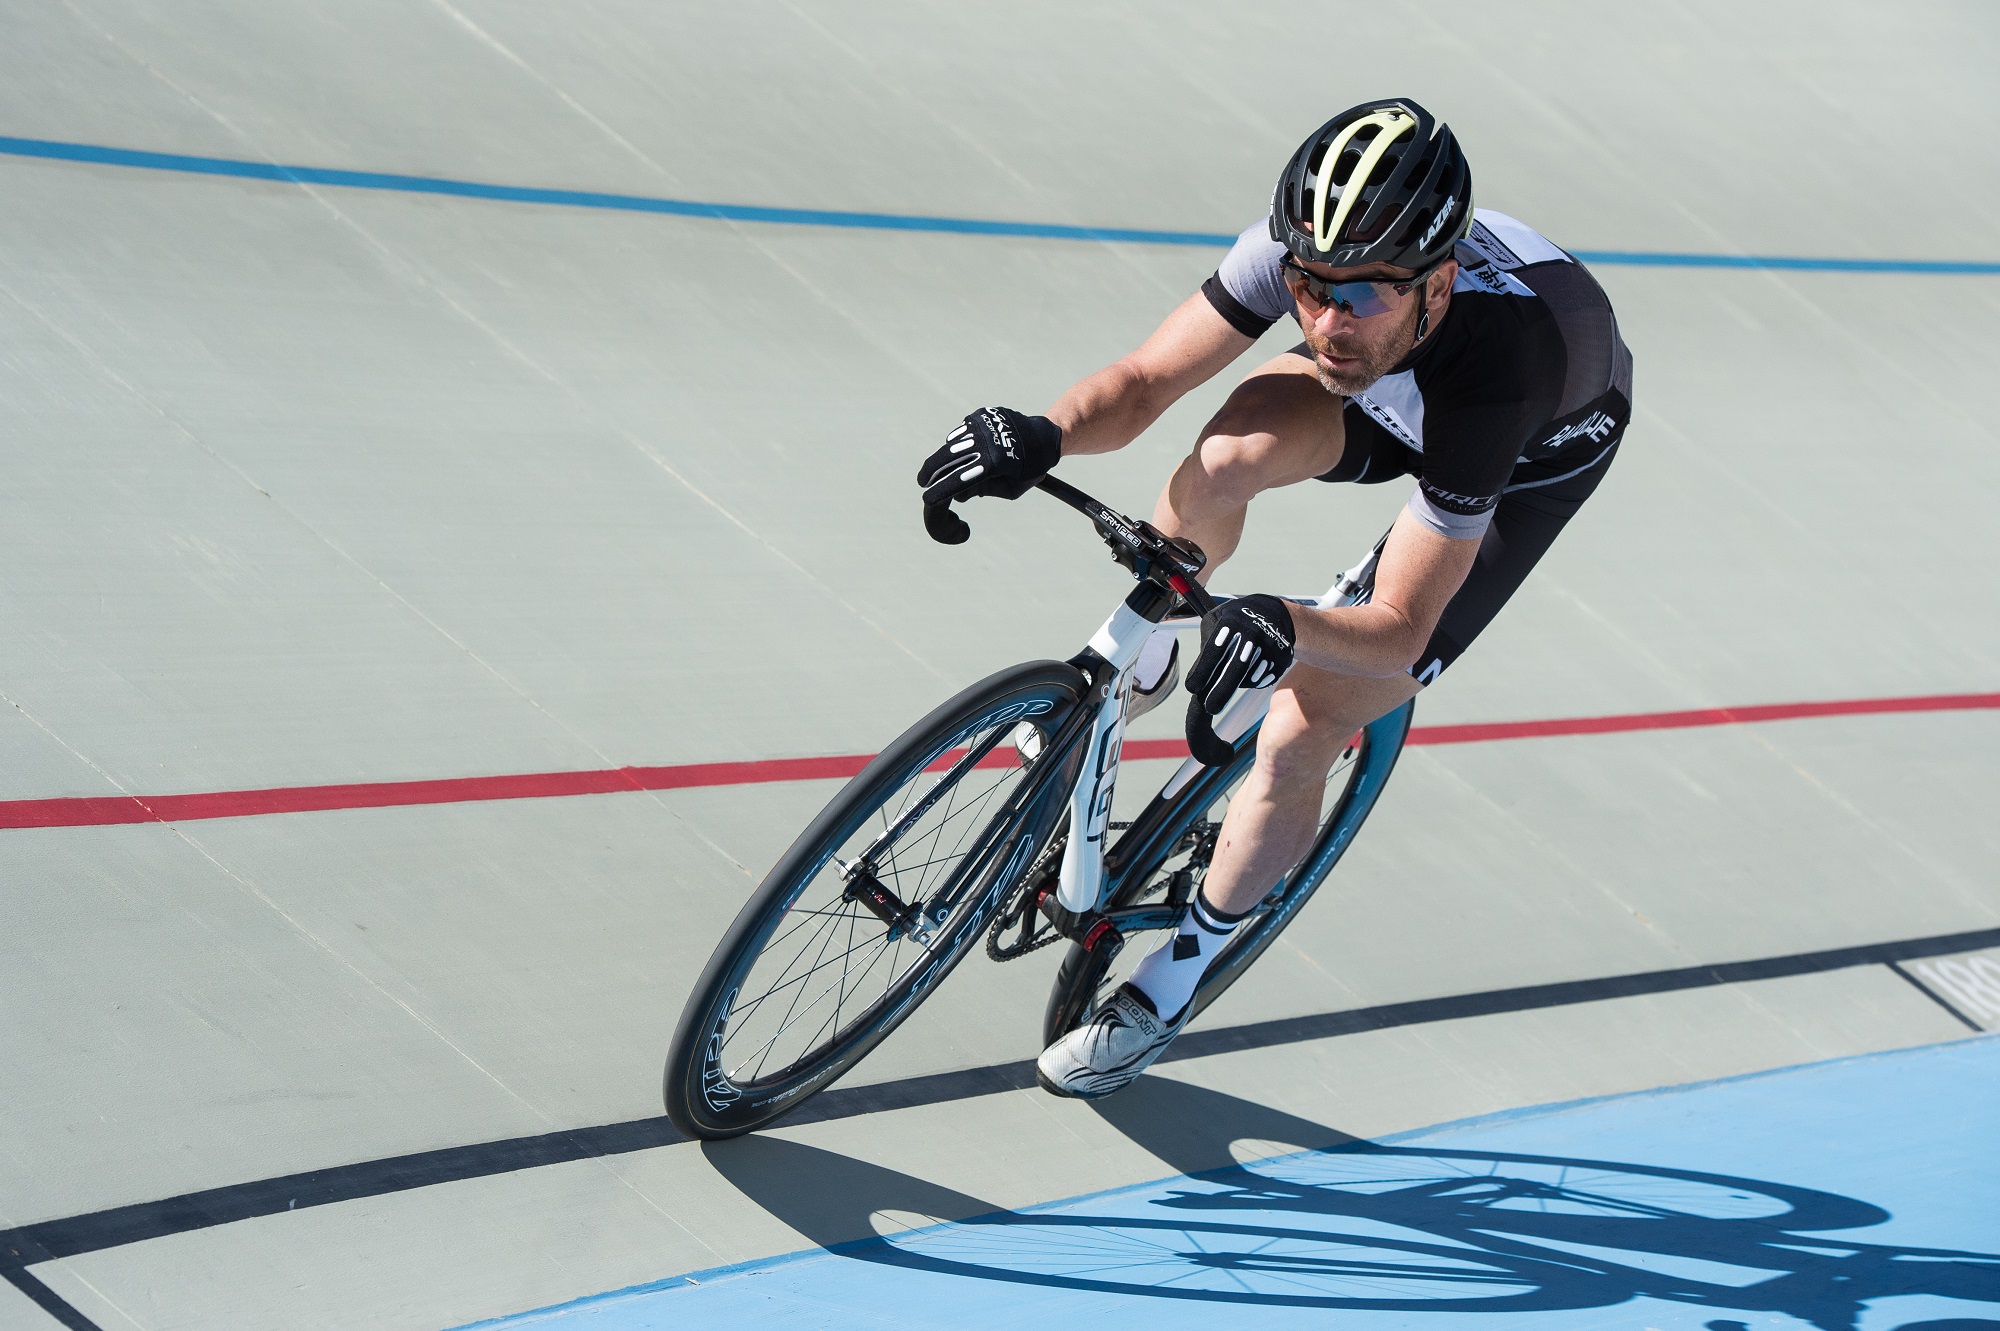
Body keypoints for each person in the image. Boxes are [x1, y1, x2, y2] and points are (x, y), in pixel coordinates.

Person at [917, 98, 1632, 1099]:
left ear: (1436, 282)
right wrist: (1040, 433)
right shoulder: (1302, 261)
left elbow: (1397, 628)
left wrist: (1281, 621)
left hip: (1516, 457)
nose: (1327, 321)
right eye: (1309, 288)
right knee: (1223, 454)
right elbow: (1140, 382)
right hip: (1388, 396)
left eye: (1364, 296)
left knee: (1306, 718)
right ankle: (1149, 658)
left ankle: (1172, 979)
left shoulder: (1504, 367)